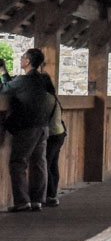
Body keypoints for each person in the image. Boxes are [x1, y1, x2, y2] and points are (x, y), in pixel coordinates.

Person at [1, 48, 55, 212]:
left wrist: (1, 72)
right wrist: (4, 71)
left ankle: (22, 201)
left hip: (27, 126)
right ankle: (38, 200)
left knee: (18, 163)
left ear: (28, 61)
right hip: (43, 125)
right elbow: (15, 86)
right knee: (39, 163)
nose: (21, 59)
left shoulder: (23, 80)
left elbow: (5, 89)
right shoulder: (43, 79)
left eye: (23, 57)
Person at [40, 64, 64, 207]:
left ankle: (48, 194)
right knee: (53, 164)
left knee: (46, 164)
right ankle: (52, 194)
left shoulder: (45, 98)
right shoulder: (53, 97)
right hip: (59, 133)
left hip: (51, 134)